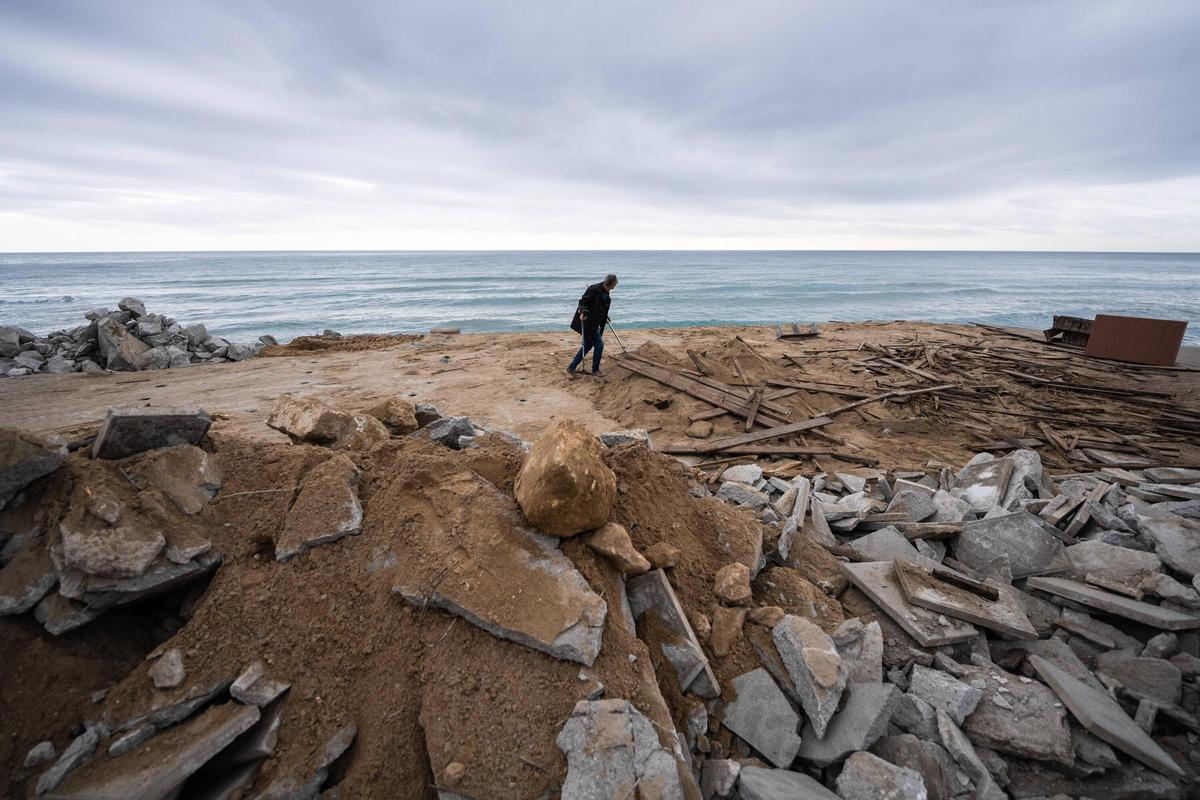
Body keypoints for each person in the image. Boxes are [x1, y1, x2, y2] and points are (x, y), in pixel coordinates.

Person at [568, 273, 617, 378]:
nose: (614, 287)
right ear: (610, 282)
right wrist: (582, 313)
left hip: (595, 323)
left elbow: (599, 307)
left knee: (587, 346)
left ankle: (571, 367)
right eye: (614, 284)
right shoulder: (594, 289)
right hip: (588, 323)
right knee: (599, 345)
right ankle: (595, 370)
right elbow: (583, 301)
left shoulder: (606, 293)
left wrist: (605, 317)